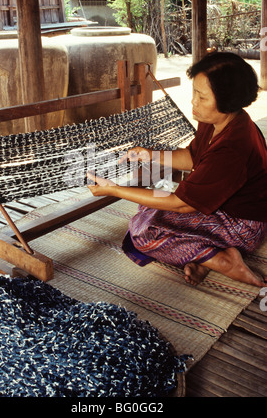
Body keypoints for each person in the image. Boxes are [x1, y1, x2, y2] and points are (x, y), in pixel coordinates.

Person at [87, 52, 267, 288]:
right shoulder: (220, 121)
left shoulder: (233, 147)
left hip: (242, 226)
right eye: (194, 93)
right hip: (222, 206)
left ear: (227, 100)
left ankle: (224, 261)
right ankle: (205, 258)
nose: (193, 102)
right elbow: (193, 157)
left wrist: (115, 190)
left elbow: (181, 203)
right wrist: (150, 154)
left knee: (144, 235)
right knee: (149, 205)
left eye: (202, 97)